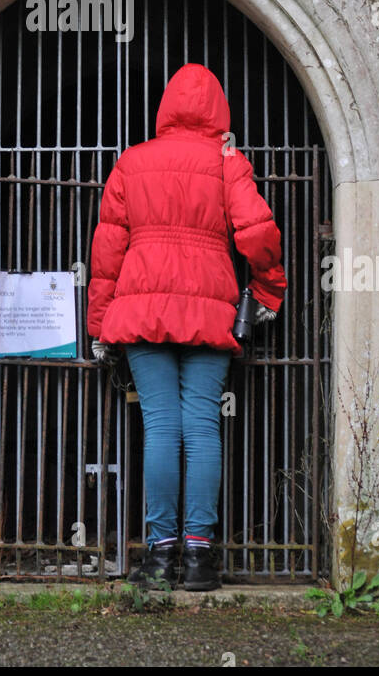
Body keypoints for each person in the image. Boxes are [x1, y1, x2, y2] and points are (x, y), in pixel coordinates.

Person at [86, 62, 287, 591]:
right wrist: (269, 290)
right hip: (209, 305)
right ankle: (200, 560)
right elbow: (257, 230)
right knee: (201, 426)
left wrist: (101, 322)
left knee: (159, 426)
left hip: (142, 307)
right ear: (218, 111)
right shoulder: (227, 162)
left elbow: (108, 249)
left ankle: (158, 558)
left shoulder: (133, 161)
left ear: (166, 108)